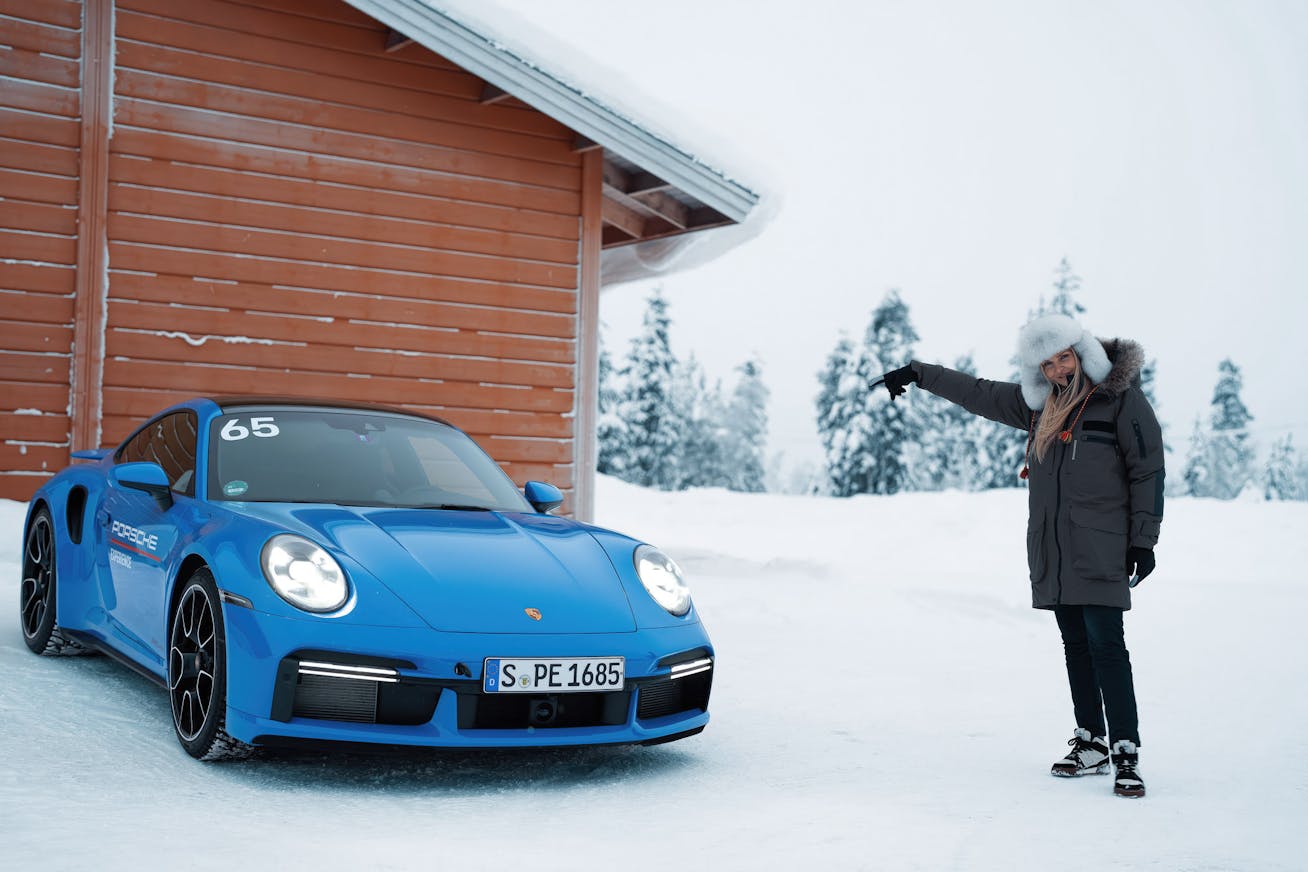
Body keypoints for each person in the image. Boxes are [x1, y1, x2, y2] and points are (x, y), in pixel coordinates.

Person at [879, 313, 1164, 799]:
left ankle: (1126, 750)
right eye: (1048, 364)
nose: (1059, 370)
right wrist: (917, 373)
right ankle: (1091, 741)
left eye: (1065, 358)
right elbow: (978, 392)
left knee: (1107, 648)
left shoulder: (1118, 401)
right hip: (1053, 550)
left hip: (1100, 547)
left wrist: (1143, 539)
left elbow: (1148, 470)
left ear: (1082, 353)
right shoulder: (1038, 410)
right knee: (1076, 646)